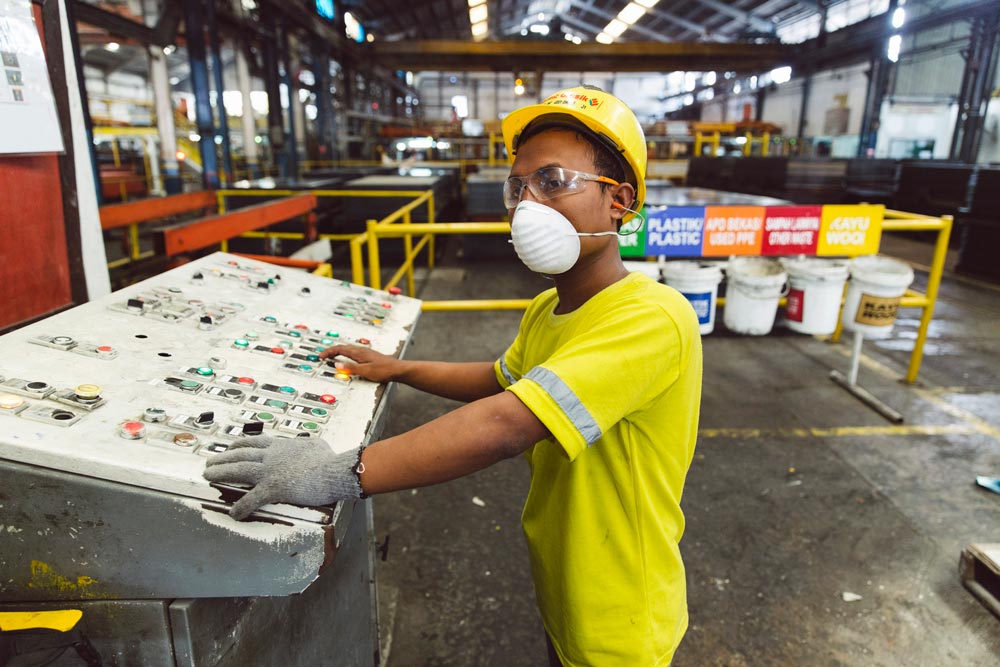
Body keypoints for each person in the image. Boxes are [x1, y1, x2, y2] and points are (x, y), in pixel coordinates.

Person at [203, 85, 703, 666]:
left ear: (618, 200)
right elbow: (501, 381)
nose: (527, 205)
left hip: (622, 611)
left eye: (553, 181)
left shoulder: (653, 316)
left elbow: (506, 423)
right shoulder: (550, 308)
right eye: (519, 187)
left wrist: (340, 472)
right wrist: (399, 368)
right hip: (568, 583)